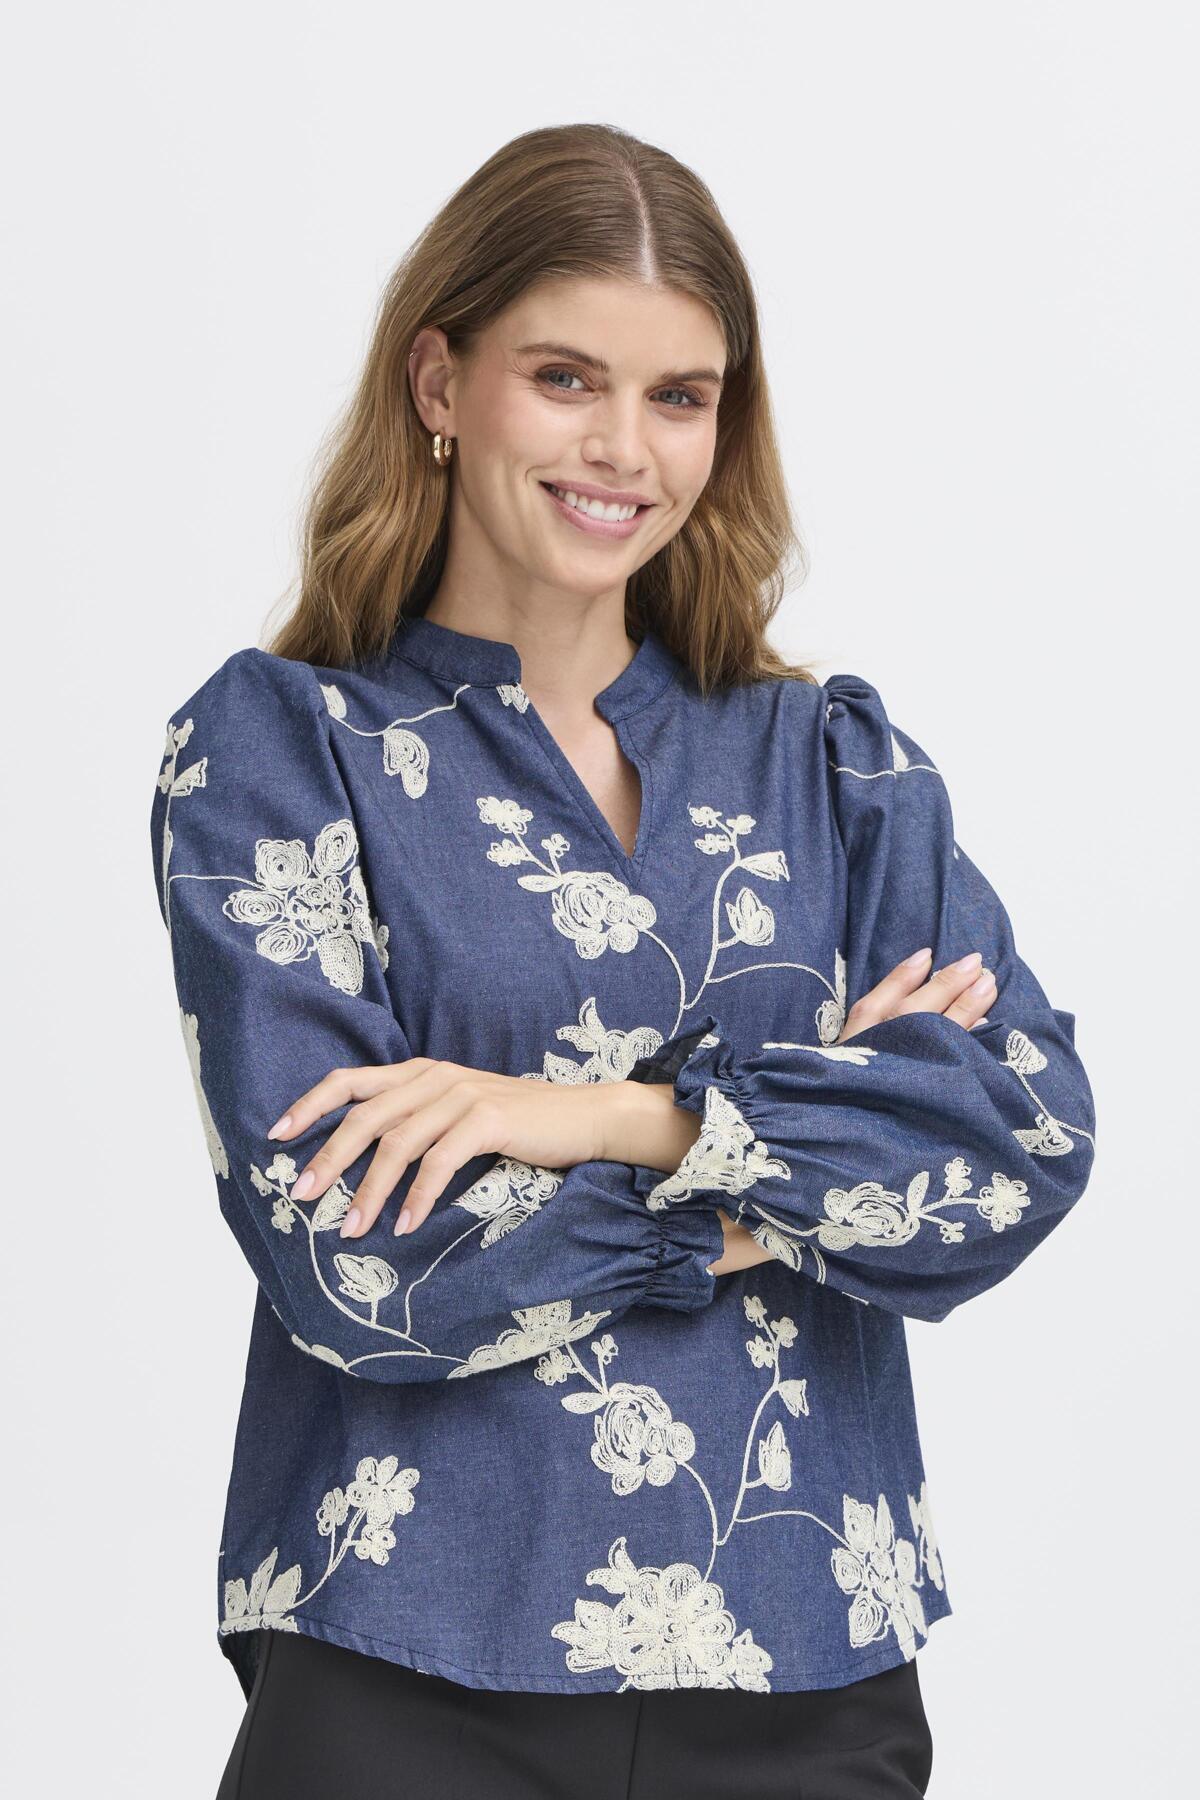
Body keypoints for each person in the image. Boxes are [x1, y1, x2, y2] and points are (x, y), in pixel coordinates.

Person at [150, 123, 1097, 1799]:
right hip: (405, 1662)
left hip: (812, 1664)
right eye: (565, 378)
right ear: (440, 383)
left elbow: (1016, 1144)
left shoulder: (833, 765)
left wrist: (604, 1119)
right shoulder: (285, 753)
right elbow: (350, 1262)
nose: (624, 448)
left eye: (680, 396)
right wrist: (783, 1190)